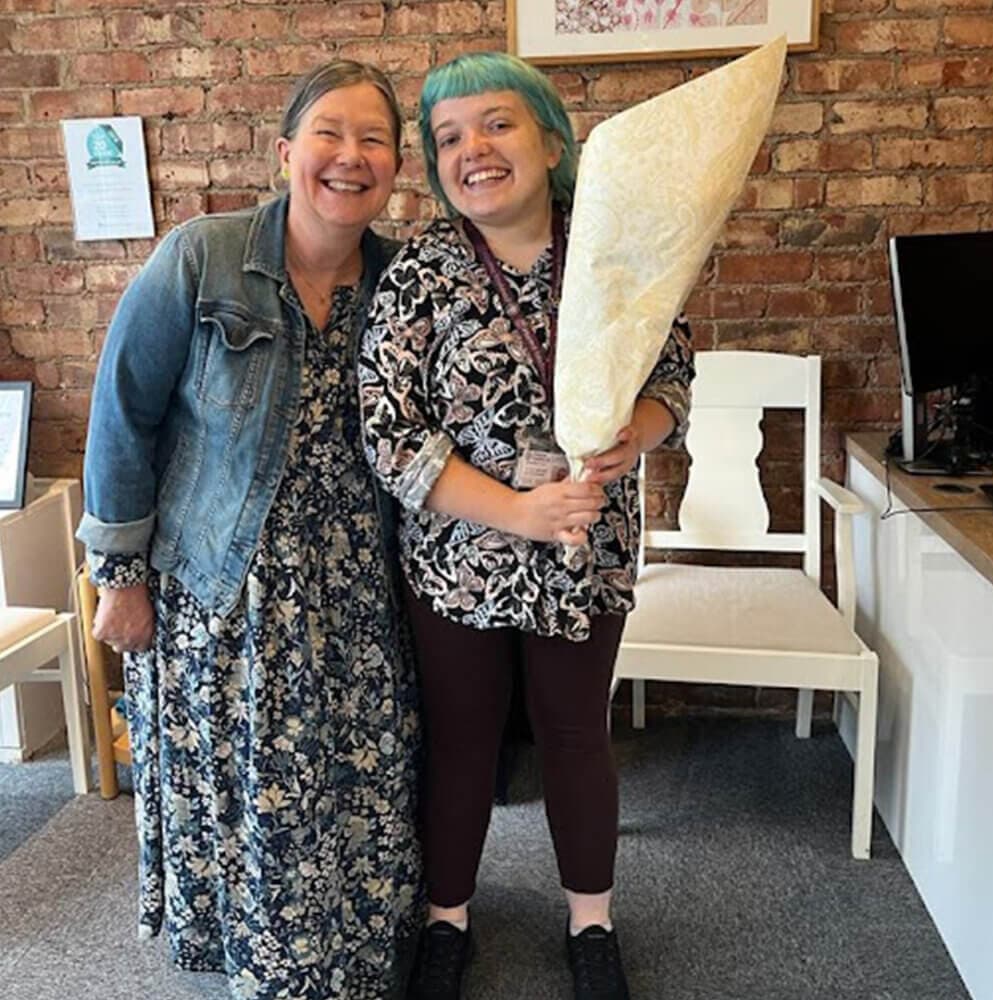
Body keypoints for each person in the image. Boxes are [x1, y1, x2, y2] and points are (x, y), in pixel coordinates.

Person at [76, 60, 421, 1000]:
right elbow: (122, 414)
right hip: (223, 584)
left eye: (374, 140)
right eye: (329, 133)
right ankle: (264, 961)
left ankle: (352, 951)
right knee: (247, 776)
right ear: (285, 151)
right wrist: (118, 577)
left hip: (358, 584)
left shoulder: (401, 282)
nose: (350, 156)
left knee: (354, 774)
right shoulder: (203, 257)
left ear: (396, 167)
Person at [359, 52, 695, 1000]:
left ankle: (592, 922)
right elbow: (389, 430)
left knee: (575, 735)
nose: (474, 149)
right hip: (457, 558)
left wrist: (640, 430)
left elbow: (674, 372)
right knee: (462, 740)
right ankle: (447, 920)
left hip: (585, 550)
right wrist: (514, 511)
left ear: (551, 141)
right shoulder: (421, 273)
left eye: (497, 123)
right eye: (449, 137)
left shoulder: (614, 251)